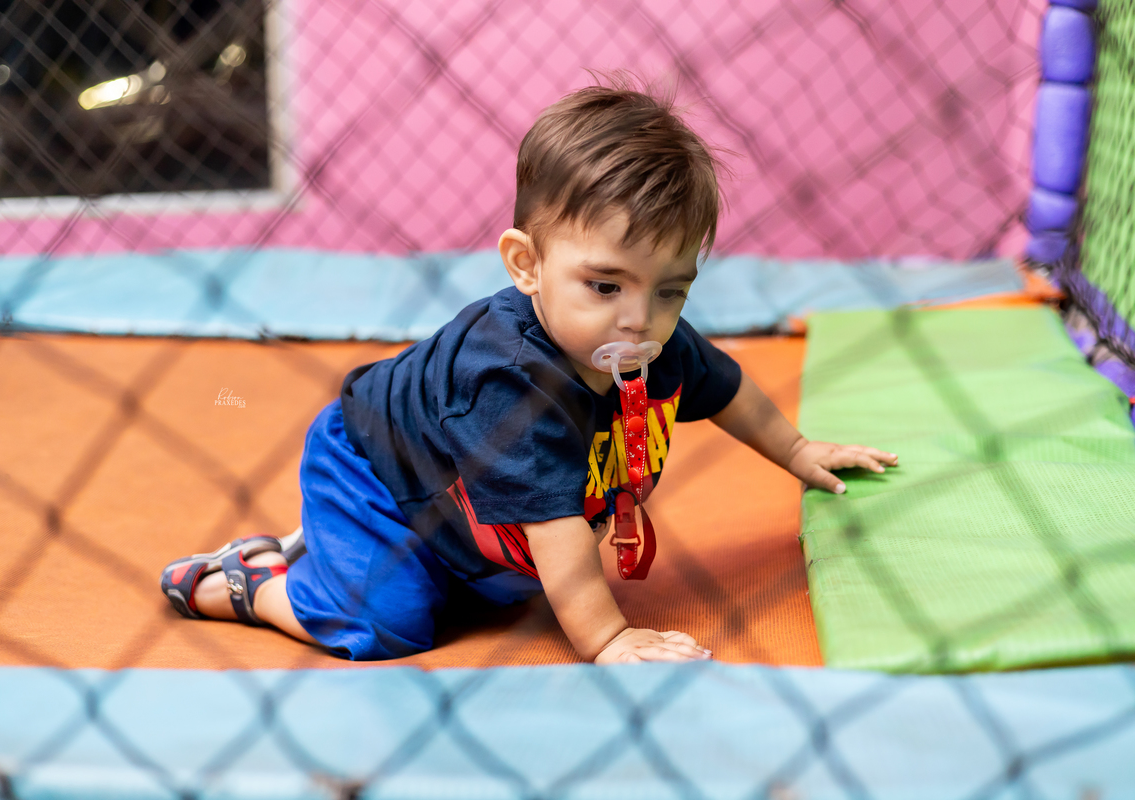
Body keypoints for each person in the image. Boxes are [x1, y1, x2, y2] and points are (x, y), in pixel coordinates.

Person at [160, 79, 897, 663]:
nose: (638, 318)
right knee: (391, 627)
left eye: (671, 288)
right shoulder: (509, 382)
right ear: (527, 265)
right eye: (605, 286)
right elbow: (554, 527)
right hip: (377, 474)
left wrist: (798, 452)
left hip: (458, 499)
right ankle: (251, 580)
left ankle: (353, 556)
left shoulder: (648, 339)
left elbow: (726, 388)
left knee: (504, 584)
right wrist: (608, 639)